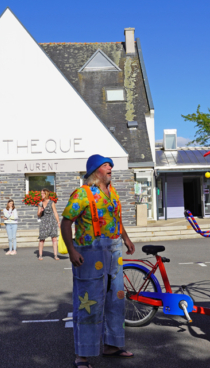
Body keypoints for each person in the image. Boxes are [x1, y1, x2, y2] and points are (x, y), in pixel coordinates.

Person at [61, 154, 136, 368]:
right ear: (96, 171)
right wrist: (71, 250)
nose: (111, 168)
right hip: (90, 252)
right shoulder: (82, 194)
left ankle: (112, 346)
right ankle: (82, 356)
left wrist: (126, 238)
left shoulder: (112, 193)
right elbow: (66, 223)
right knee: (89, 303)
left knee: (116, 300)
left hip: (114, 250)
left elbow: (116, 220)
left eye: (111, 165)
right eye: (106, 165)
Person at [37, 188, 60, 261]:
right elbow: (38, 215)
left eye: (42, 193)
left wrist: (58, 221)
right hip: (44, 222)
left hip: (52, 222)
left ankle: (55, 255)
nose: (41, 195)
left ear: (46, 194)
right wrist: (40, 211)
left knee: (54, 238)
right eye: (41, 193)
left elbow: (55, 212)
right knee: (42, 239)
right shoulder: (40, 203)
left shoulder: (52, 202)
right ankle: (40, 255)